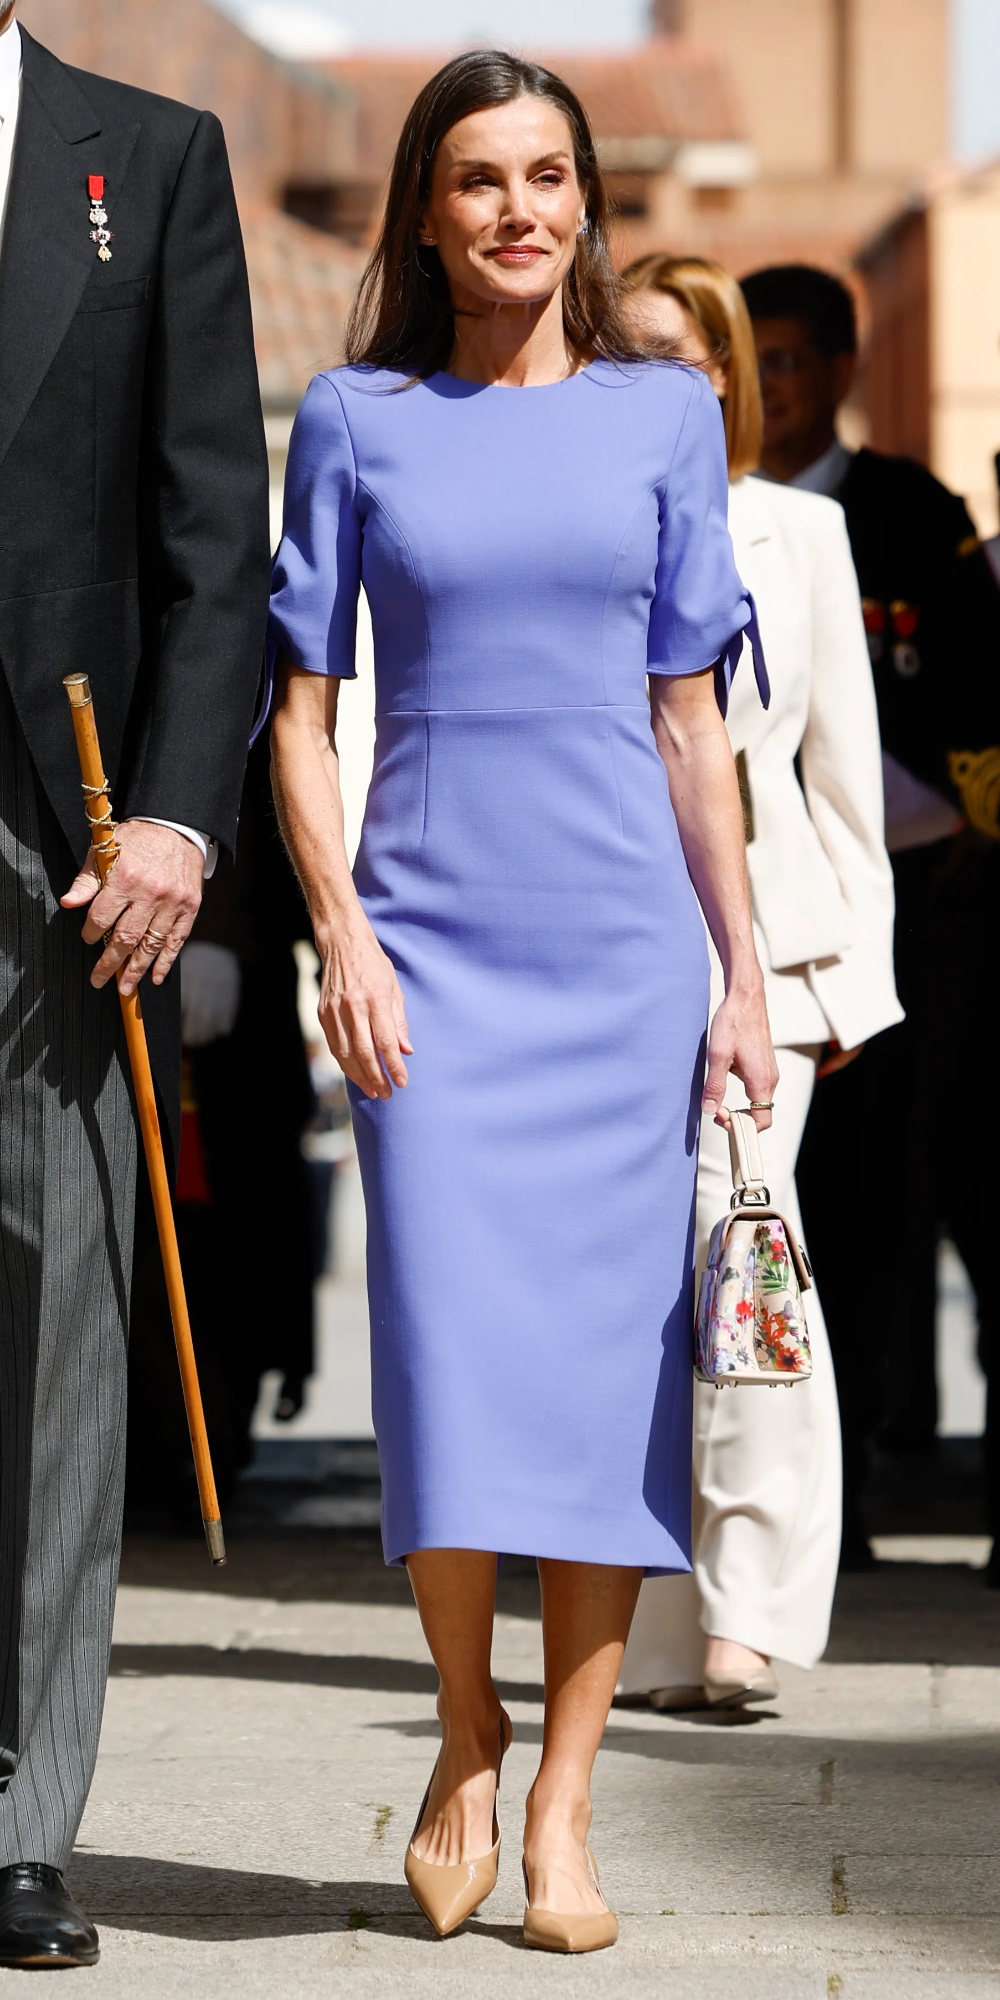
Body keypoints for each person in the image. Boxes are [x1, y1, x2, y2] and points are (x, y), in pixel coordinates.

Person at [268, 49, 776, 1957]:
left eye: (548, 176)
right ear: (424, 209)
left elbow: (690, 724)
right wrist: (346, 932)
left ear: (586, 202)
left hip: (622, 956)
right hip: (432, 956)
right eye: (477, 179)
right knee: (452, 1360)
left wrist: (738, 973)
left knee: (606, 1379)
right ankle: (460, 1724)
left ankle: (562, 1796)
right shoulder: (354, 418)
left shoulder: (661, 417)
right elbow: (301, 718)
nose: (517, 211)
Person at [0, 7, 270, 1969]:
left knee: (53, 1338)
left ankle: (16, 1812)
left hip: (57, 842)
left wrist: (176, 818)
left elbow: (210, 540)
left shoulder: (143, 158)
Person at [616, 257, 899, 1710]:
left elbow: (842, 777)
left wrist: (850, 983)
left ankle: (750, 1615)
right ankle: (656, 1635)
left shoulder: (800, 534)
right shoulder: (584, 514)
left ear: (725, 370)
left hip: (767, 973)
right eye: (628, 350)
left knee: (747, 1273)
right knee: (642, 1303)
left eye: (681, 352)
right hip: (608, 954)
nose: (656, 374)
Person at [741, 264, 1000, 1570]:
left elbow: (967, 716)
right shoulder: (695, 511)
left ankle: (878, 1466)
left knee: (891, 1206)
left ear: (841, 367)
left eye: (788, 359)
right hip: (742, 928)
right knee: (757, 1208)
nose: (768, 384)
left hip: (905, 925)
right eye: (751, 358)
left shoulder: (909, 517)